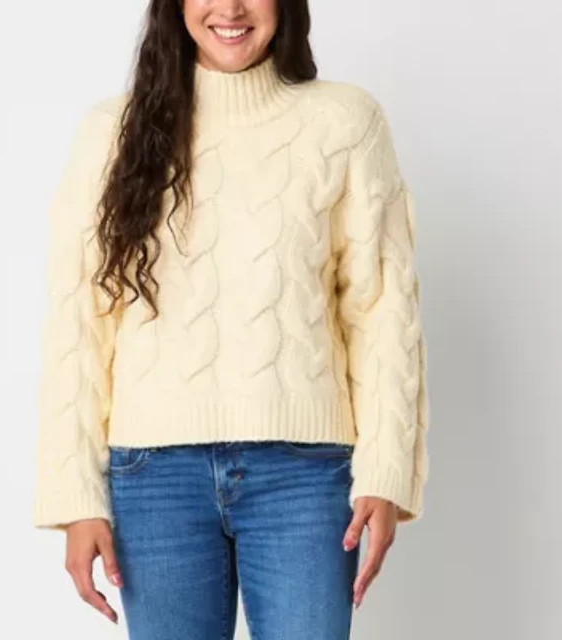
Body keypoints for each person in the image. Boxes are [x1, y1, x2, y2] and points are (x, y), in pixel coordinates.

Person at [33, 0, 430, 638]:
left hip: (305, 477)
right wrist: (75, 497)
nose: (232, 8)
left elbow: (381, 311)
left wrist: (386, 473)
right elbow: (79, 323)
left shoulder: (346, 122)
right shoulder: (112, 130)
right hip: (153, 480)